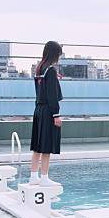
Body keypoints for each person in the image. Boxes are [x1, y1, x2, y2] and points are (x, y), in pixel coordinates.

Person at [30, 40, 63, 186]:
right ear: (54, 54)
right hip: (48, 111)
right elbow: (52, 95)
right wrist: (56, 115)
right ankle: (44, 177)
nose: (59, 57)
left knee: (38, 145)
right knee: (46, 146)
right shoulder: (50, 70)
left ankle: (33, 177)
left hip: (38, 110)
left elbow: (43, 89)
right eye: (59, 54)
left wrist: (54, 79)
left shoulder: (40, 68)